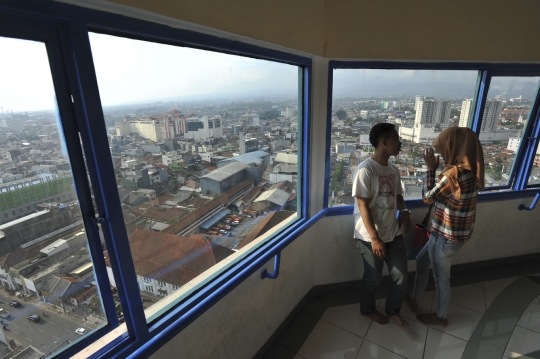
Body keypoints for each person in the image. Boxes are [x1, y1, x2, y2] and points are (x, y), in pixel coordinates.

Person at [404, 127, 484, 326]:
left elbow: (428, 197)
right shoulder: (474, 170)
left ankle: (441, 316)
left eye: (443, 149)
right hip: (453, 235)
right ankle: (414, 300)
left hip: (445, 238)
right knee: (422, 262)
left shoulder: (453, 176)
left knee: (441, 278)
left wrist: (431, 170)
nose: (441, 154)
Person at [352, 123, 412, 328]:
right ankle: (367, 309)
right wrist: (375, 238)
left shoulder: (393, 170)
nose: (400, 143)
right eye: (396, 139)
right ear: (384, 142)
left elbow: (398, 196)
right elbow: (362, 206)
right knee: (373, 277)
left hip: (392, 231)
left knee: (401, 276)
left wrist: (404, 212)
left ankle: (393, 310)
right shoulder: (365, 170)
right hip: (370, 236)